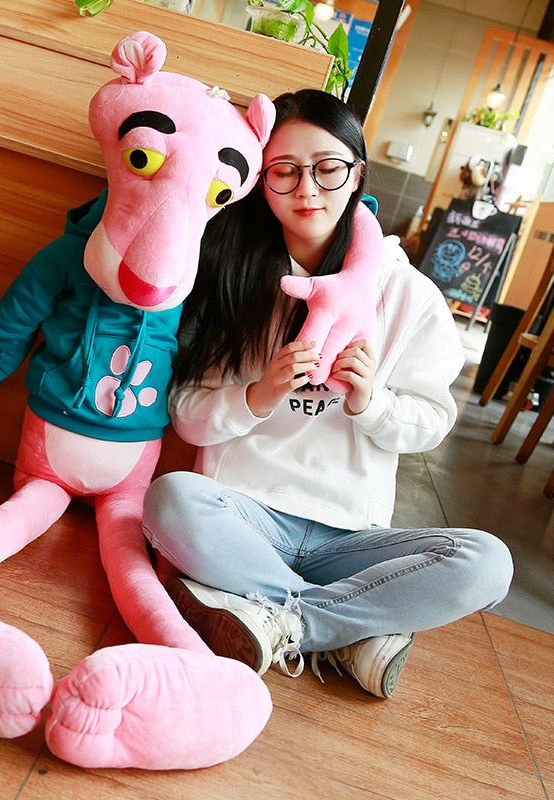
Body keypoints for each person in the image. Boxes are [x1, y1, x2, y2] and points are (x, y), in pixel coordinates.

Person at [141, 89, 514, 699]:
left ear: (358, 173)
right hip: (244, 515)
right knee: (171, 499)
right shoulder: (235, 276)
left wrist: (372, 401)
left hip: (353, 537)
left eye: (327, 168)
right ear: (260, 180)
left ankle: (278, 619)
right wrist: (257, 395)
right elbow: (186, 414)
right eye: (284, 171)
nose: (307, 189)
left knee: (487, 562)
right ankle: (352, 631)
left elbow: (431, 422)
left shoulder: (409, 296)